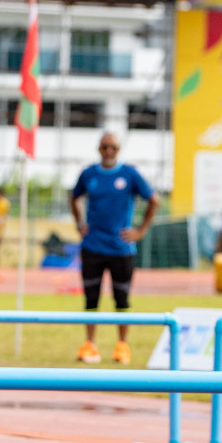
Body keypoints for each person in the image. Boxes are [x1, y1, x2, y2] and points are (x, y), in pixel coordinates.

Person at [70, 133, 159, 365]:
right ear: (98, 149)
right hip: (92, 246)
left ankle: (122, 346)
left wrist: (140, 231)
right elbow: (73, 197)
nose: (109, 151)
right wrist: (79, 222)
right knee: (91, 299)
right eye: (105, 147)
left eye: (113, 147)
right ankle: (90, 345)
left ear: (119, 150)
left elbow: (154, 200)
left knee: (122, 299)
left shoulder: (130, 174)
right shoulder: (89, 174)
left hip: (121, 248)